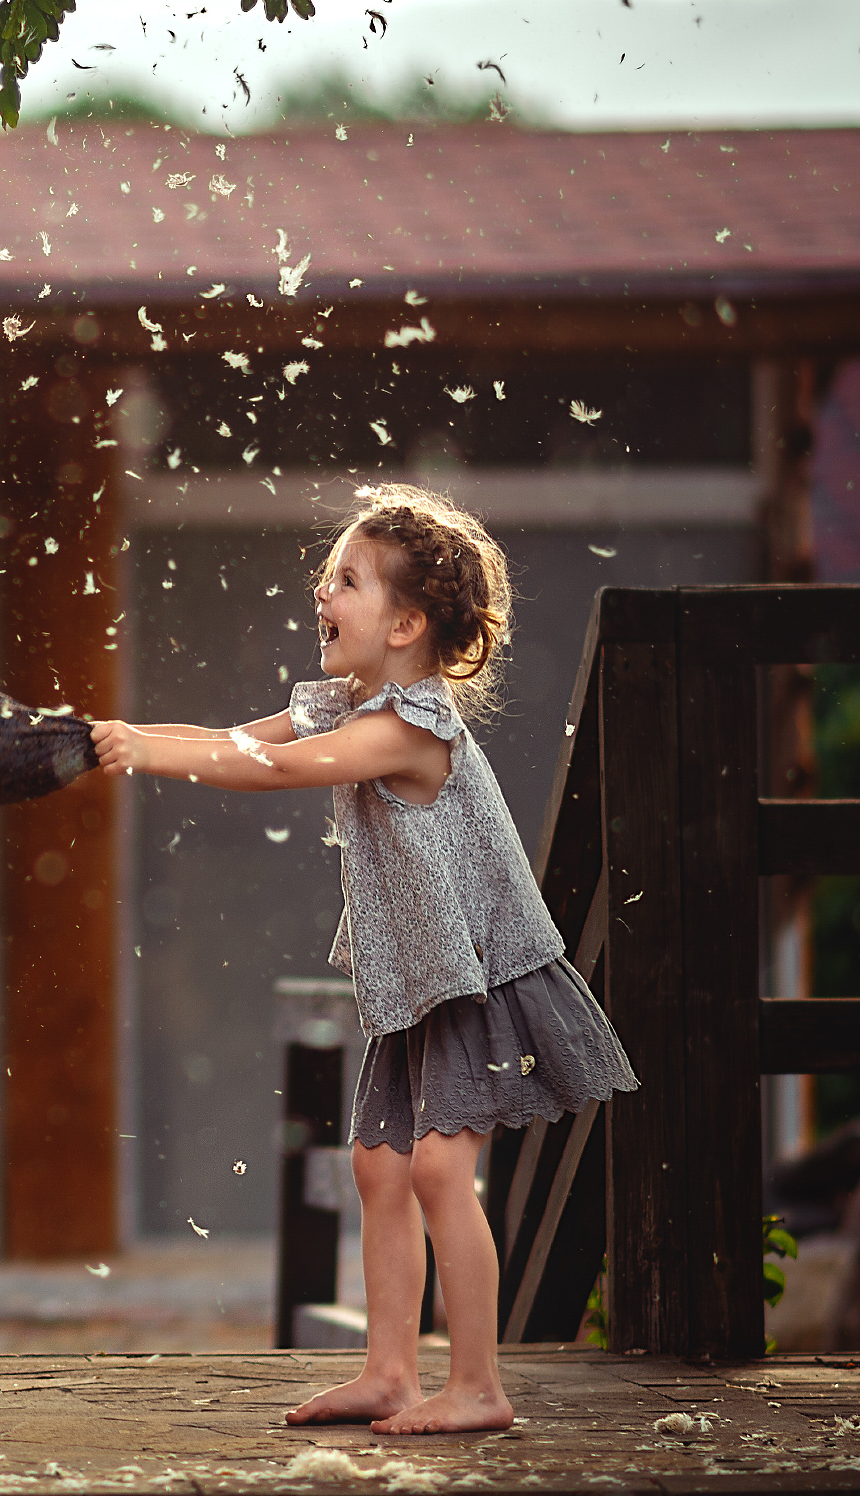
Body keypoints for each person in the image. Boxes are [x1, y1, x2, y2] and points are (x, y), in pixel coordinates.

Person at [85, 484, 636, 1435]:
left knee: (434, 1173)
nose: (322, 592)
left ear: (408, 623)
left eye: (346, 580)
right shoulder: (347, 699)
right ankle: (389, 1371)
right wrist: (131, 741)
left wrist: (144, 748)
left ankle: (478, 1385)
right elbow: (236, 741)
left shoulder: (410, 727)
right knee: (379, 1169)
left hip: (480, 975)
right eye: (326, 574)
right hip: (418, 979)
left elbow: (279, 770)